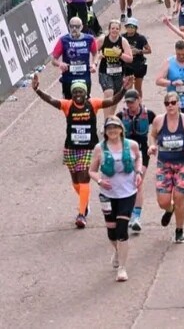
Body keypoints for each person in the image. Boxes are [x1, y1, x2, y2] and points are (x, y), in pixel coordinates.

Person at [31, 74, 129, 228]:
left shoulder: (93, 104)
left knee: (84, 178)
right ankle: (85, 201)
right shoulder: (67, 105)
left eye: (80, 92)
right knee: (76, 182)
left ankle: (81, 214)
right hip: (71, 148)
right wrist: (38, 90)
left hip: (88, 149)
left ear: (86, 93)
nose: (78, 94)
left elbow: (111, 101)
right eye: (75, 92)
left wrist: (123, 89)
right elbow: (50, 100)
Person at [88, 116, 144, 281]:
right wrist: (99, 180)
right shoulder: (99, 148)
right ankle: (118, 251)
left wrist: (138, 172)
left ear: (121, 129)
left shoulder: (131, 145)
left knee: (122, 230)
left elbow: (138, 157)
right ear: (105, 131)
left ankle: (122, 268)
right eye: (109, 128)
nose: (112, 131)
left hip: (127, 193)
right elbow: (91, 170)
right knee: (111, 232)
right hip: (108, 195)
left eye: (115, 127)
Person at [148, 91, 184, 243]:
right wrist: (152, 146)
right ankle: (169, 209)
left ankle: (179, 230)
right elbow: (153, 135)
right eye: (167, 103)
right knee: (163, 201)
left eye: (173, 102)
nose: (170, 106)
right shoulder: (159, 120)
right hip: (164, 164)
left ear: (179, 103)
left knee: (179, 197)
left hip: (183, 164)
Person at [117, 87, 156, 233]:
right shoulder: (121, 116)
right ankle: (127, 213)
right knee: (126, 184)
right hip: (126, 153)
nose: (130, 105)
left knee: (137, 182)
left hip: (142, 152)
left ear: (139, 100)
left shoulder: (149, 115)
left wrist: (154, 144)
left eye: (132, 102)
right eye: (128, 103)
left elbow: (158, 129)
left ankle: (136, 217)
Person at [51, 17, 98, 98]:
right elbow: (53, 60)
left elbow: (96, 53)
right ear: (68, 26)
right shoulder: (63, 40)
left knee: (85, 101)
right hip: (68, 78)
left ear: (81, 27)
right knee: (68, 103)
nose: (74, 29)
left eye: (77, 26)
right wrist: (60, 64)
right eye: (72, 26)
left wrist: (94, 64)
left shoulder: (89, 39)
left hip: (84, 77)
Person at [98, 20, 134, 119]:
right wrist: (98, 56)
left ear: (120, 30)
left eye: (117, 29)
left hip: (119, 72)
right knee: (108, 92)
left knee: (115, 97)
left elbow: (130, 59)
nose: (114, 30)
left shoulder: (123, 41)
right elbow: (93, 52)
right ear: (109, 29)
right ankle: (106, 120)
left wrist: (120, 54)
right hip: (105, 71)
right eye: (112, 28)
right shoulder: (103, 40)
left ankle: (111, 117)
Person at [122, 17, 152, 99]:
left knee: (138, 88)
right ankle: (129, 103)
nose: (130, 28)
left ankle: (139, 103)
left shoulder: (140, 38)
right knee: (128, 87)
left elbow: (149, 50)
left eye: (132, 27)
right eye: (128, 26)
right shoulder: (122, 37)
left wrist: (139, 51)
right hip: (127, 66)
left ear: (136, 28)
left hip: (139, 65)